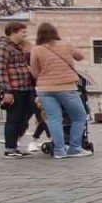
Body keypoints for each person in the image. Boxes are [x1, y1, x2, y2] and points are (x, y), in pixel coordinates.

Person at [27, 23, 88, 159]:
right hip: (66, 87)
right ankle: (75, 147)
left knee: (54, 119)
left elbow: (35, 72)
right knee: (79, 117)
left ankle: (59, 151)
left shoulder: (36, 49)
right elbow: (80, 56)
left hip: (45, 89)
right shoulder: (65, 45)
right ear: (55, 33)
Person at [0, 22, 37, 157]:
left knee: (24, 117)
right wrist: (6, 90)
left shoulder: (17, 47)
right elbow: (0, 70)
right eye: (23, 32)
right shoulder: (2, 47)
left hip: (26, 86)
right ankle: (10, 148)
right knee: (14, 118)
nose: (25, 35)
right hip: (14, 88)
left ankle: (15, 145)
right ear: (13, 31)